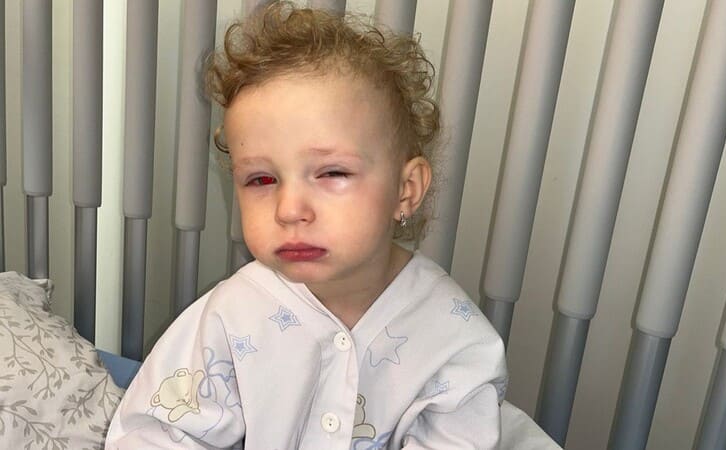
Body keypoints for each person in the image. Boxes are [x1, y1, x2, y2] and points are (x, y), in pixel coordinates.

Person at [105, 2, 507, 448]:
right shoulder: (233, 314)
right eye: (261, 179)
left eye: (332, 172)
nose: (289, 209)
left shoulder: (454, 342)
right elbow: (153, 432)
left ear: (405, 189)